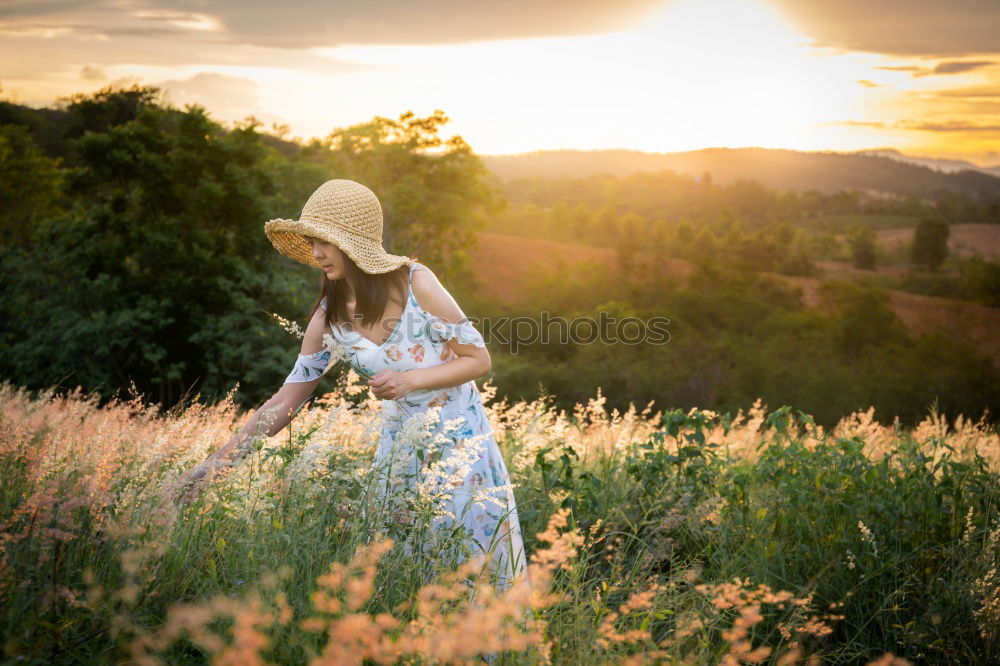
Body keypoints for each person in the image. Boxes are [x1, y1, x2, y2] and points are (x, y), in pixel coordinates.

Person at [174, 179, 526, 591]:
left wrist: (410, 379)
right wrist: (212, 468)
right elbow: (287, 398)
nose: (317, 252)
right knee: (404, 579)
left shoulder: (417, 284)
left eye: (326, 241)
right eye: (312, 240)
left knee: (472, 570)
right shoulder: (329, 319)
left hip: (461, 448)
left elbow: (478, 359)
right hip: (399, 454)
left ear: (354, 243)